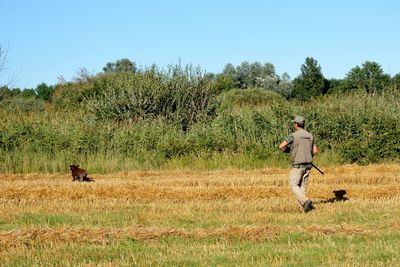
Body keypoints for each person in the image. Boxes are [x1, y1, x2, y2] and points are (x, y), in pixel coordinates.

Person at [278, 115, 318, 213]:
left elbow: (281, 146)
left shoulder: (293, 135)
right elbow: (315, 151)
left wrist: (289, 150)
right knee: (302, 187)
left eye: (294, 123)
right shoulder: (310, 135)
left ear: (296, 124)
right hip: (308, 165)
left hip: (297, 166)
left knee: (293, 185)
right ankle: (305, 210)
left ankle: (306, 201)